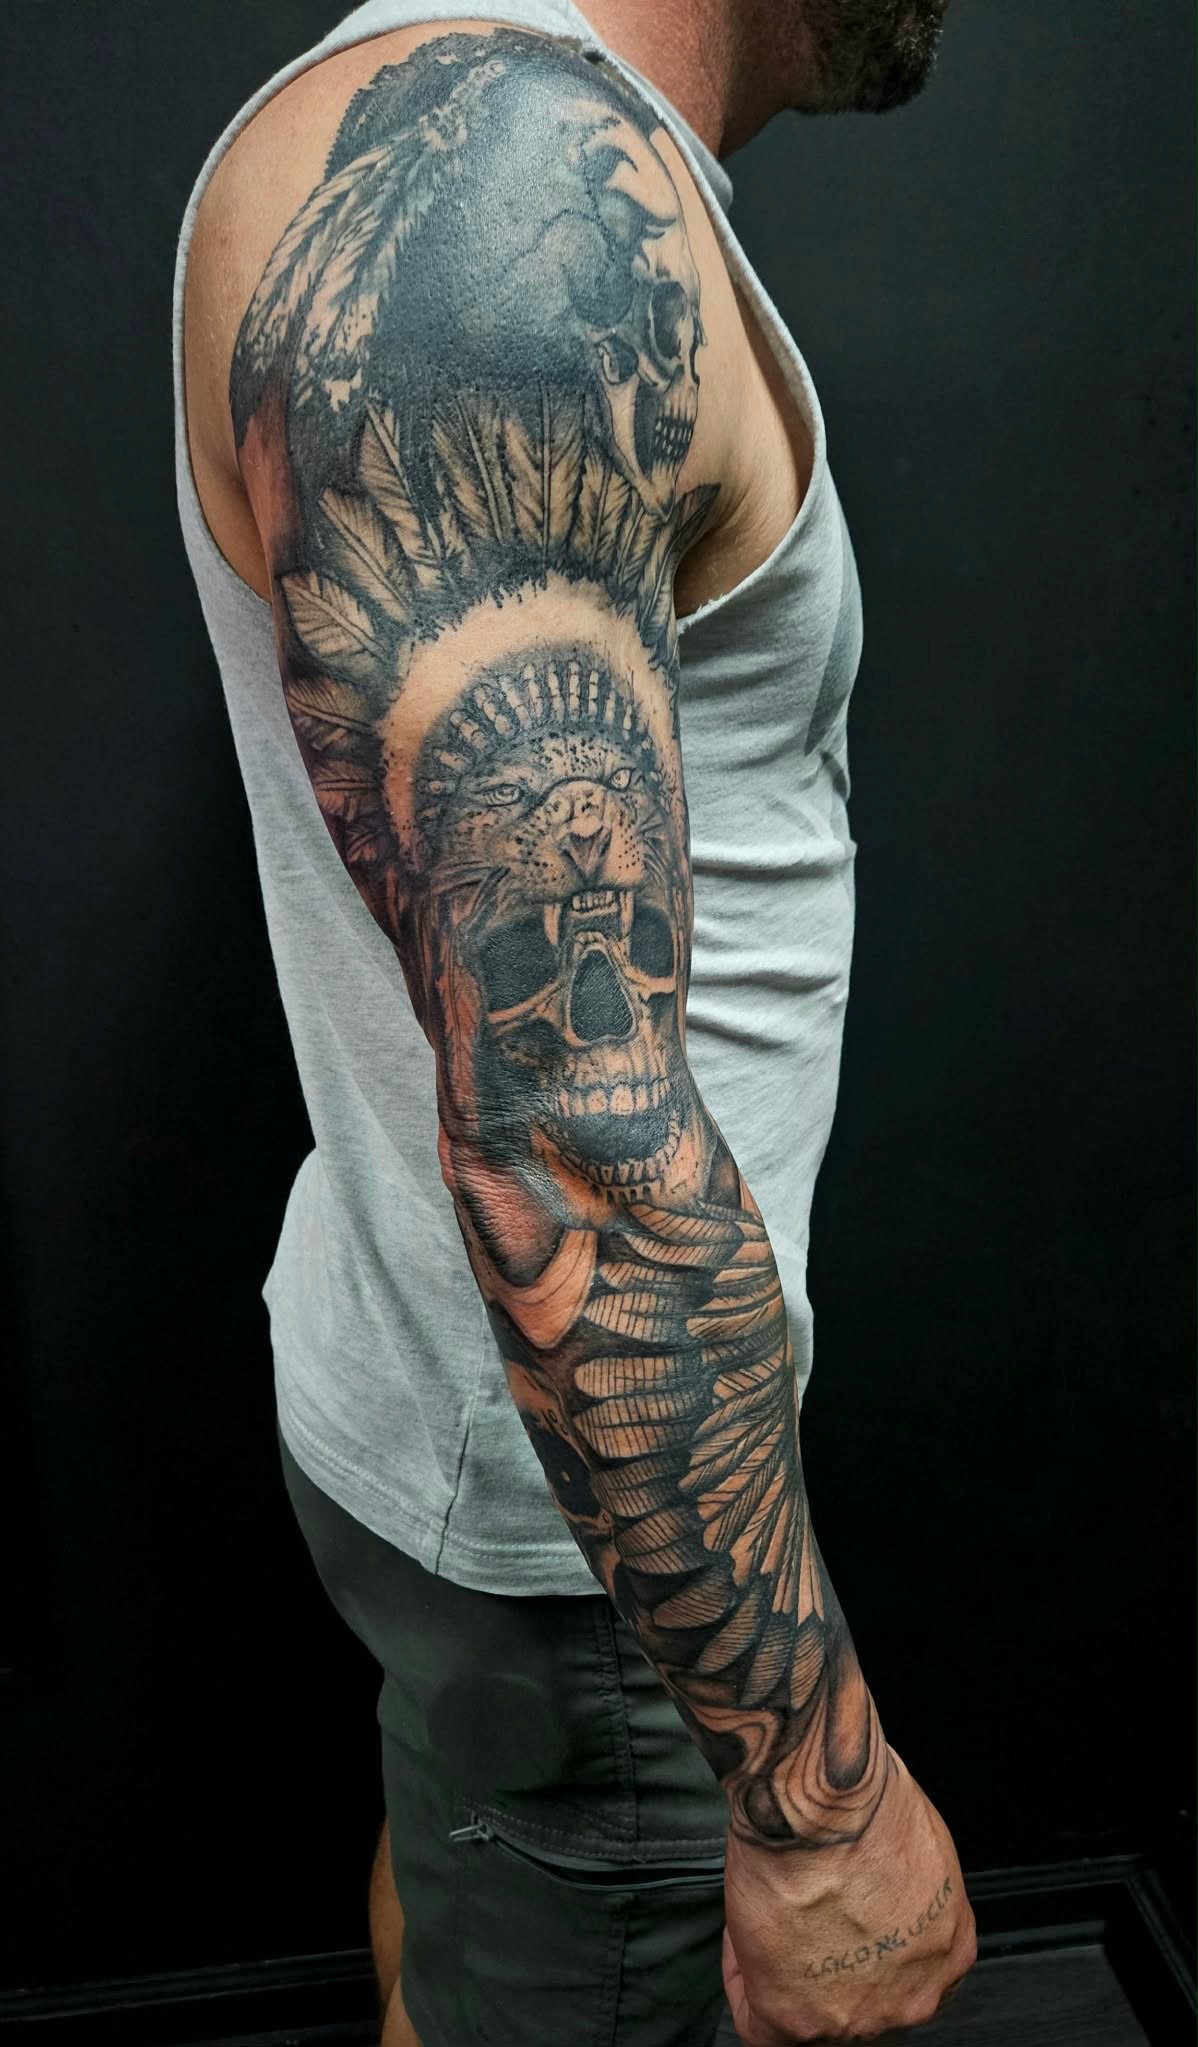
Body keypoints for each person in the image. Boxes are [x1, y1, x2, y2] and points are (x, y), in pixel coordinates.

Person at [175, 1, 977, 2040]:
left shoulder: (463, 134)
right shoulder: (503, 201)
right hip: (591, 1517)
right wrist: (815, 1809)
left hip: (476, 1416)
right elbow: (566, 1130)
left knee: (466, 1919)